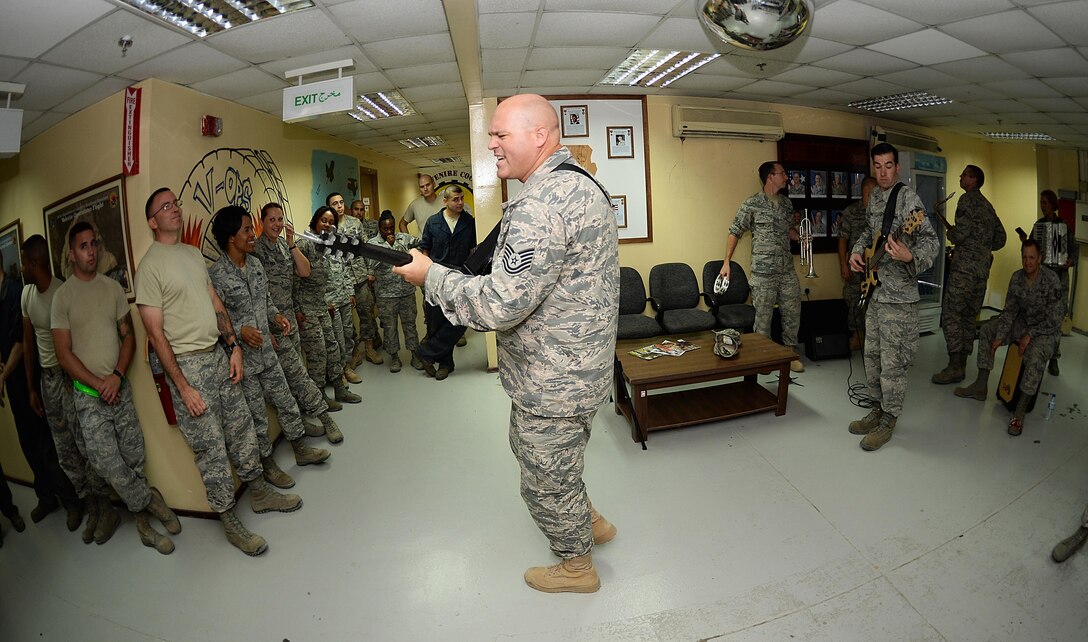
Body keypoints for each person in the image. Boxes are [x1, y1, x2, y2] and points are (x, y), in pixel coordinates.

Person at [394, 93, 618, 594]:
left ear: (540, 136)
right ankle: (590, 521)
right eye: (490, 134)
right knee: (551, 457)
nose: (491, 144)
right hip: (580, 367)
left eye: (500, 134)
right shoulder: (580, 183)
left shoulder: (540, 205)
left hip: (553, 379)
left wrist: (431, 276)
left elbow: (498, 305)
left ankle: (577, 565)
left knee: (544, 477)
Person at [136, 187, 301, 557]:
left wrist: (233, 346)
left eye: (176, 203)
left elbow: (214, 302)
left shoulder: (191, 254)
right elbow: (155, 335)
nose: (175, 209)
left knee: (242, 427)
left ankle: (259, 493)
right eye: (165, 206)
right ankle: (229, 520)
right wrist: (183, 387)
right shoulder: (149, 268)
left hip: (217, 355)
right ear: (152, 221)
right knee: (210, 447)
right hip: (187, 366)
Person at [52, 221, 181, 555]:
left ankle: (143, 525)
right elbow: (63, 354)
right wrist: (98, 383)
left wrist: (117, 376)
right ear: (71, 253)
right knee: (107, 464)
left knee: (134, 458)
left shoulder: (111, 289)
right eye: (83, 246)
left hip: (118, 389)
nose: (91, 251)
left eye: (93, 244)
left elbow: (128, 336)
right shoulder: (62, 297)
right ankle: (150, 501)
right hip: (89, 397)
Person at [208, 206, 332, 487]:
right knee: (258, 417)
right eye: (246, 230)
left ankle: (300, 448)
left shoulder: (255, 265)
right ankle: (268, 465)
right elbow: (215, 318)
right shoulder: (217, 276)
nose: (252, 234)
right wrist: (240, 330)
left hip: (267, 350)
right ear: (231, 237)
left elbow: (265, 302)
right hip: (244, 361)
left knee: (286, 400)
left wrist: (276, 317)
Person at [20, 235, 115, 542]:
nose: (20, 268)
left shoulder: (62, 293)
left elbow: (78, 343)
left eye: (23, 262)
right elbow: (28, 343)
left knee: (85, 445)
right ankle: (84, 503)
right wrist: (31, 387)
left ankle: (103, 505)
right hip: (47, 381)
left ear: (34, 262)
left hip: (68, 380)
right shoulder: (26, 295)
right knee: (64, 451)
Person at [847, 143, 939, 451]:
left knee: (893, 363)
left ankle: (889, 419)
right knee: (872, 357)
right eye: (878, 166)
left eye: (889, 166)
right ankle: (877, 409)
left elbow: (932, 242)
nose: (883, 172)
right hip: (875, 293)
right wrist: (856, 252)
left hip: (899, 299)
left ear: (897, 168)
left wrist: (910, 255)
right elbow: (868, 232)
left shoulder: (909, 199)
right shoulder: (874, 196)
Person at [252, 203, 344, 443]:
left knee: (296, 375)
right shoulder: (256, 252)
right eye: (272, 220)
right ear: (262, 222)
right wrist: (265, 328)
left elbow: (304, 272)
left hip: (289, 320)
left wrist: (292, 243)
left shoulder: (285, 246)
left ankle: (303, 421)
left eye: (280, 219)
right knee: (295, 377)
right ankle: (324, 418)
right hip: (272, 325)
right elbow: (256, 297)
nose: (277, 224)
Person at [953, 240, 1061, 436]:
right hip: (1023, 323)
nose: (1027, 262)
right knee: (988, 331)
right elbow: (1009, 312)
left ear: (1040, 258)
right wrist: (1000, 337)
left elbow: (1055, 319)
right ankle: (981, 385)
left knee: (1035, 355)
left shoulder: (1052, 280)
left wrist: (1030, 335)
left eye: (1031, 257)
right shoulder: (1017, 278)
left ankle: (1019, 412)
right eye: (1024, 257)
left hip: (1045, 330)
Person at [0, 264, 78, 527]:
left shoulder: (16, 292)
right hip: (27, 382)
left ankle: (74, 500)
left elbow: (21, 344)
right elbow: (18, 341)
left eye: (25, 262)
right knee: (36, 444)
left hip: (44, 377)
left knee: (55, 443)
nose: (22, 267)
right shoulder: (20, 295)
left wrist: (4, 375)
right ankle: (50, 497)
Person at [721, 161, 805, 373]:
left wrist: (800, 237)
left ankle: (790, 354)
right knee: (763, 318)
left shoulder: (786, 204)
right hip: (763, 272)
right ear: (770, 177)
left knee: (792, 312)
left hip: (786, 270)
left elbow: (789, 231)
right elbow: (735, 231)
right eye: (782, 173)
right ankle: (763, 357)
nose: (786, 177)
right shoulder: (752, 204)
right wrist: (726, 262)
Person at [932, 165, 1006, 385]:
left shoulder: (966, 200)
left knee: (951, 314)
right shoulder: (988, 206)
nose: (960, 177)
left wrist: (952, 234)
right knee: (968, 317)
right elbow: (1001, 238)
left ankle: (954, 366)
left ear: (974, 180)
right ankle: (962, 364)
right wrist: (982, 247)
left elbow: (960, 234)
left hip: (963, 271)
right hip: (981, 273)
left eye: (964, 174)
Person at [294, 206, 361, 406]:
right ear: (315, 221)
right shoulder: (304, 244)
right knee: (317, 354)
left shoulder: (327, 245)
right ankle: (320, 397)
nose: (327, 225)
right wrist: (297, 310)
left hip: (322, 305)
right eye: (324, 220)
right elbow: (294, 281)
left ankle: (340, 389)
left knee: (332, 348)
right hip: (307, 310)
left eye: (331, 222)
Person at [416, 185, 476, 380]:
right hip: (436, 277)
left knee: (457, 320)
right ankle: (445, 364)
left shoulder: (469, 222)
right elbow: (425, 249)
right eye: (455, 199)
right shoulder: (433, 222)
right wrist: (426, 276)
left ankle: (428, 354)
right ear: (446, 201)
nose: (460, 203)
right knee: (436, 322)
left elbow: (473, 249)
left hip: (459, 277)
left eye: (462, 199)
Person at [1018, 190, 1076, 377]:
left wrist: (1071, 260)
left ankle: (1054, 358)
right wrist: (1025, 241)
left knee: (1056, 318)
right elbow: (1032, 248)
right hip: (1042, 278)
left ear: (1052, 204)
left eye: (1045, 203)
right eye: (1041, 202)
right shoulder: (1038, 225)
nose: (1042, 206)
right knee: (1039, 316)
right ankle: (1036, 351)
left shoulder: (1064, 225)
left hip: (1060, 278)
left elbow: (1074, 249)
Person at [364, 211, 422, 372]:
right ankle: (394, 357)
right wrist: (387, 248)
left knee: (410, 325)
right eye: (385, 229)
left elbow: (420, 245)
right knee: (390, 327)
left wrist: (404, 250)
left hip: (406, 291)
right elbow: (371, 265)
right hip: (386, 294)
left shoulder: (403, 239)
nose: (389, 232)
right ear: (379, 228)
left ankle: (415, 355)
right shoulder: (372, 244)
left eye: (391, 228)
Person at [325, 193, 362, 384]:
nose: (328, 224)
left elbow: (346, 267)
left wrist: (350, 292)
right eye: (325, 221)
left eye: (341, 202)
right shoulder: (317, 244)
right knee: (336, 337)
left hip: (344, 295)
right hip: (330, 299)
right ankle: (338, 371)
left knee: (348, 333)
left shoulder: (339, 242)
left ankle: (347, 366)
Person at [838, 176, 877, 351]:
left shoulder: (882, 212)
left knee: (874, 302)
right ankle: (857, 335)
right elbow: (842, 239)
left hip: (877, 265)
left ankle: (873, 338)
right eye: (870, 193)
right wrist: (843, 265)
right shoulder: (851, 211)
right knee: (854, 300)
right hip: (856, 265)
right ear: (863, 192)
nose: (873, 197)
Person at [343, 199, 382, 367]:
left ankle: (369, 348)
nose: (338, 206)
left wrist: (370, 271)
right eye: (334, 203)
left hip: (360, 277)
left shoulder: (356, 224)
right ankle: (354, 353)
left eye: (340, 203)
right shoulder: (331, 228)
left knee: (367, 313)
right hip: (343, 281)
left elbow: (366, 249)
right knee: (347, 321)